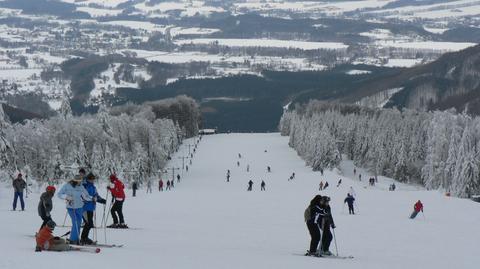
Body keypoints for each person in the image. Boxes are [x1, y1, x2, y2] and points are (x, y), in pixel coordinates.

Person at [57, 174, 92, 245]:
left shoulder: (81, 187)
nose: (80, 182)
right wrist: (67, 197)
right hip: (71, 207)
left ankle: (76, 239)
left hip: (79, 207)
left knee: (78, 223)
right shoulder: (67, 186)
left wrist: (92, 199)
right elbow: (59, 194)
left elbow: (86, 196)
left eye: (81, 181)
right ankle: (73, 239)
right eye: (79, 181)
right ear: (75, 181)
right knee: (75, 222)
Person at [81, 173, 106, 244]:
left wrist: (101, 200)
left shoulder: (93, 187)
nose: (93, 180)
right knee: (88, 223)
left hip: (91, 208)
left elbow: (96, 195)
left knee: (90, 224)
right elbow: (85, 196)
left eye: (93, 179)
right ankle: (83, 238)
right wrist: (93, 199)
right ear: (88, 179)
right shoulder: (84, 186)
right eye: (91, 179)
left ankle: (85, 237)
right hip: (84, 208)